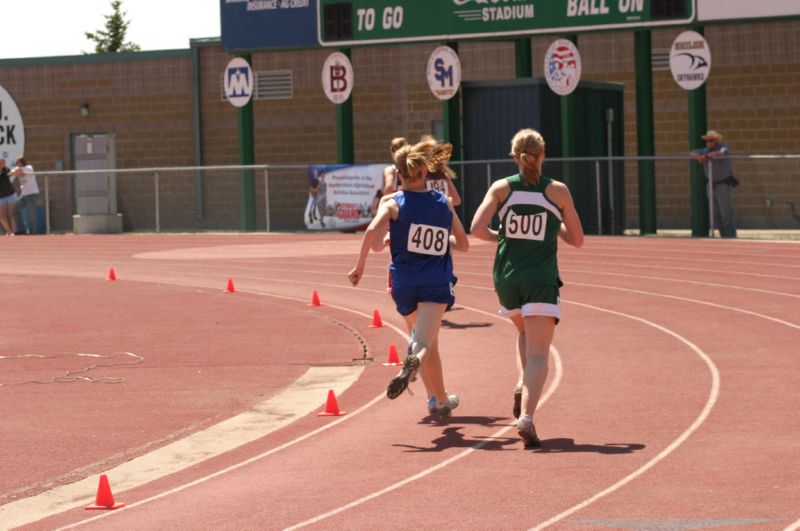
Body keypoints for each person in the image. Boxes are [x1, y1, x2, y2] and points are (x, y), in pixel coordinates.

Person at [470, 128, 584, 447]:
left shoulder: (501, 188)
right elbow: (577, 239)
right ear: (543, 154)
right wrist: (553, 226)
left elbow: (477, 228)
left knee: (523, 333)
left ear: (513, 157)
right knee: (539, 354)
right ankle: (527, 418)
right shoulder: (558, 191)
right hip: (540, 278)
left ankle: (522, 382)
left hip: (507, 278)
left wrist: (505, 237)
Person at [348, 138, 470, 418]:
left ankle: (439, 401)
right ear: (425, 173)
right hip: (435, 282)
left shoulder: (392, 202)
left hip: (403, 284)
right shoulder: (443, 203)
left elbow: (373, 237)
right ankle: (411, 365)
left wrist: (360, 266)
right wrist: (443, 241)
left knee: (428, 341)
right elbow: (463, 245)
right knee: (424, 344)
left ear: (399, 175)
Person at [690, 130, 738, 238]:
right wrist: (699, 157)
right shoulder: (705, 150)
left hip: (723, 185)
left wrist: (706, 156)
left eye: (711, 140)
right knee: (715, 214)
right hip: (711, 185)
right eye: (707, 140)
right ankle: (723, 236)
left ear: (716, 141)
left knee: (726, 213)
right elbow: (691, 152)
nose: (708, 142)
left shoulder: (723, 147)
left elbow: (720, 153)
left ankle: (731, 237)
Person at [10, 157, 41, 235]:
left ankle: (32, 233)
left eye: (18, 162)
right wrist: (14, 170)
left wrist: (15, 170)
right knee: (15, 211)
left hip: (32, 194)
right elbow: (13, 171)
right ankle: (22, 230)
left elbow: (17, 171)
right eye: (16, 163)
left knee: (31, 215)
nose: (17, 164)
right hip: (24, 195)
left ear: (22, 162)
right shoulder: (19, 169)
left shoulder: (28, 167)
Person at [0, 159, 19, 236]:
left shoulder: (6, 169)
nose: (1, 164)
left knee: (11, 214)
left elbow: (5, 174)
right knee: (1, 216)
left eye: (2, 163)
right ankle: (9, 231)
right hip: (1, 197)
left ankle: (14, 232)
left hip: (10, 194)